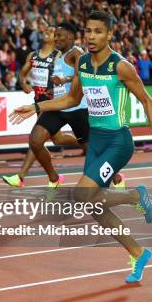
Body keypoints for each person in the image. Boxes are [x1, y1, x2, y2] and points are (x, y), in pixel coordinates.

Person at [10, 11, 152, 283]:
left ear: (109, 34)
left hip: (118, 141)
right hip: (96, 140)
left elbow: (147, 101)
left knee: (81, 194)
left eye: (98, 31)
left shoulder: (121, 66)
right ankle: (138, 252)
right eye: (88, 31)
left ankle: (136, 197)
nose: (91, 36)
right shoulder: (84, 64)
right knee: (94, 206)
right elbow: (71, 99)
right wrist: (36, 107)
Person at [25, 22, 125, 189]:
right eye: (55, 36)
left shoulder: (76, 53)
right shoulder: (58, 55)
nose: (56, 39)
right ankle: (54, 177)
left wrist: (66, 80)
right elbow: (63, 79)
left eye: (59, 35)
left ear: (70, 37)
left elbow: (88, 72)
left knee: (93, 150)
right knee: (35, 140)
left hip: (79, 108)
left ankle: (116, 178)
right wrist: (54, 90)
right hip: (59, 106)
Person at [2, 24, 82, 188]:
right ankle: (84, 143)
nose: (47, 32)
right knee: (56, 139)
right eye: (46, 30)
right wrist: (23, 83)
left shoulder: (60, 55)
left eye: (52, 32)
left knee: (37, 140)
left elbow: (75, 74)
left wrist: (61, 85)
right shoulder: (33, 55)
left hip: (55, 102)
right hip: (39, 101)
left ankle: (21, 176)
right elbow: (22, 73)